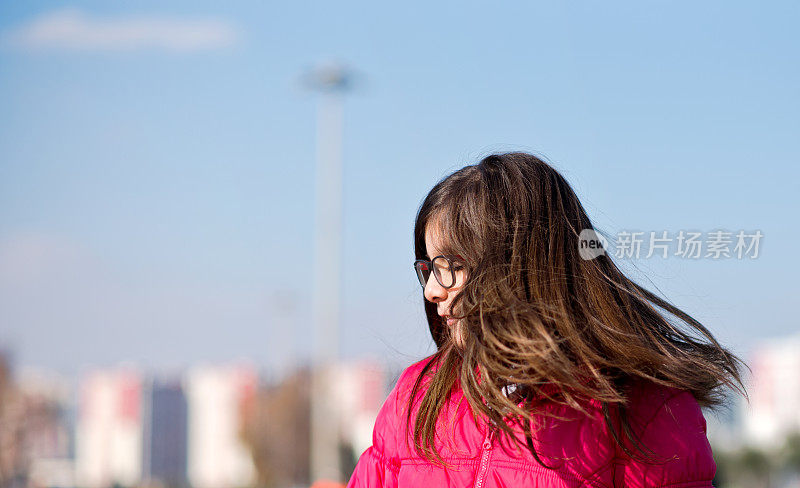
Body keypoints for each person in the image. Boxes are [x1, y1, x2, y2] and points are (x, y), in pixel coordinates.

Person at [346, 152, 745, 487]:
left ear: (520, 265)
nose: (432, 289)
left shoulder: (646, 408)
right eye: (429, 267)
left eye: (451, 265)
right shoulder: (415, 397)